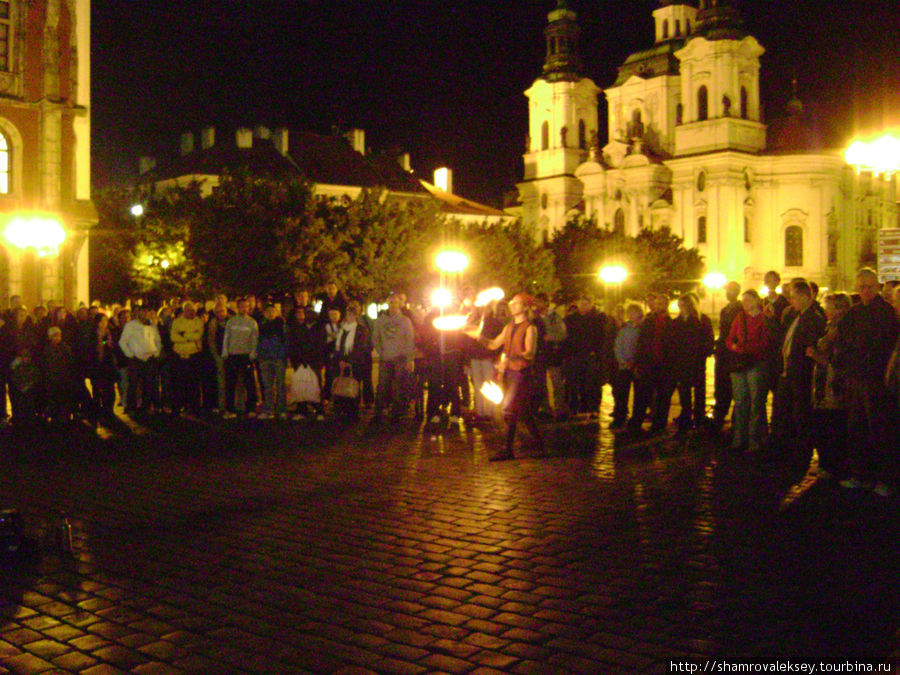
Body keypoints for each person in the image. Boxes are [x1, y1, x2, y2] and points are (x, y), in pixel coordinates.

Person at [833, 269, 900, 496]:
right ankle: (860, 475)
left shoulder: (886, 312)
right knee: (856, 429)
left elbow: (884, 345)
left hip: (875, 381)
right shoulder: (854, 312)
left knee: (879, 431)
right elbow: (842, 340)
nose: (865, 291)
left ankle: (883, 479)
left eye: (869, 287)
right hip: (855, 378)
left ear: (878, 286)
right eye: (861, 287)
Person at [478, 293, 542, 461]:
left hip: (521, 373)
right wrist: (479, 337)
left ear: (525, 307)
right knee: (523, 410)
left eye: (517, 303)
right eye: (512, 302)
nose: (512, 305)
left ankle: (507, 449)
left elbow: (530, 353)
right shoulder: (508, 327)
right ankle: (538, 441)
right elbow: (493, 344)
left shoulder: (530, 328)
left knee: (508, 408)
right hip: (509, 372)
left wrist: (509, 358)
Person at [769, 280, 825, 460]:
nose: (791, 301)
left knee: (801, 414)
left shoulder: (813, 318)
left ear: (805, 296)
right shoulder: (795, 316)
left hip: (800, 374)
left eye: (794, 297)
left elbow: (809, 346)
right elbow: (784, 340)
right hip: (787, 372)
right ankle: (782, 447)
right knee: (782, 411)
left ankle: (801, 452)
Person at [805, 293, 851, 480]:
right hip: (824, 385)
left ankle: (832, 467)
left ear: (838, 309)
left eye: (828, 307)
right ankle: (827, 464)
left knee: (831, 427)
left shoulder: (842, 330)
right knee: (824, 425)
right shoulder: (831, 326)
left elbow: (836, 360)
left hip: (833, 387)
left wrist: (814, 354)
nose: (824, 310)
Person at [725, 290, 771, 455]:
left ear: (757, 300)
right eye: (743, 301)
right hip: (740, 364)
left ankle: (755, 441)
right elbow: (730, 338)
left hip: (756, 363)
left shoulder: (764, 318)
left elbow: (765, 342)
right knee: (740, 401)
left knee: (756, 402)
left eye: (748, 300)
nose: (745, 304)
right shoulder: (740, 317)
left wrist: (747, 349)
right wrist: (735, 347)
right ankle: (739, 440)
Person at [629, 293, 674, 434]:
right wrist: (638, 363)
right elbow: (641, 343)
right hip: (648, 363)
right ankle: (637, 420)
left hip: (663, 364)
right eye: (657, 303)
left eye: (662, 303)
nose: (658, 306)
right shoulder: (648, 321)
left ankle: (659, 423)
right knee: (642, 394)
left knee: (662, 396)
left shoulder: (671, 322)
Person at [670, 293, 714, 434]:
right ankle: (686, 415)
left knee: (699, 390)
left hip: (696, 361)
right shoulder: (677, 322)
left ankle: (699, 417)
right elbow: (673, 342)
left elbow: (708, 340)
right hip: (681, 362)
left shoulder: (702, 320)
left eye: (684, 305)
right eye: (680, 305)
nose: (682, 308)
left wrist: (703, 354)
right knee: (684, 391)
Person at [372, 293, 415, 424]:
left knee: (399, 386)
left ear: (399, 305)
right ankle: (379, 411)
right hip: (385, 358)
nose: (393, 306)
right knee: (382, 386)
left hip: (400, 358)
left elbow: (409, 340)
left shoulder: (405, 321)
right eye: (391, 303)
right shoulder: (380, 321)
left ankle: (398, 412)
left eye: (395, 303)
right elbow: (376, 338)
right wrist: (381, 351)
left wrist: (409, 358)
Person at [119, 305, 163, 413]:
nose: (145, 314)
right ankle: (131, 407)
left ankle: (145, 406)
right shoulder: (131, 326)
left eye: (147, 312)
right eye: (142, 312)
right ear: (138, 313)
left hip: (149, 359)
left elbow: (157, 340)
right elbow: (123, 342)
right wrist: (130, 354)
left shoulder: (152, 325)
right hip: (136, 359)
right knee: (133, 384)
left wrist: (156, 353)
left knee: (148, 384)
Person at [532, 293, 568, 421]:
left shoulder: (554, 317)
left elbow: (563, 334)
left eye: (539, 302)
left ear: (545, 303)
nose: (536, 305)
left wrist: (550, 337)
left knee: (556, 382)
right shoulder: (534, 317)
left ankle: (560, 408)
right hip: (539, 354)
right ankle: (545, 408)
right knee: (541, 383)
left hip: (552, 353)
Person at [711, 281, 742, 432]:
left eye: (729, 290)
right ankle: (719, 414)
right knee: (721, 385)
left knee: (734, 386)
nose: (727, 293)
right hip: (723, 353)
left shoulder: (741, 309)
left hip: (734, 353)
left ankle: (737, 420)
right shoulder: (725, 310)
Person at [331, 304, 371, 420]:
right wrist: (339, 360)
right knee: (341, 385)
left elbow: (360, 347)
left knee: (352, 386)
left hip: (355, 363)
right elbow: (338, 347)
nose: (348, 316)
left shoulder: (361, 329)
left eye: (350, 314)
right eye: (347, 314)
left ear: (355, 316)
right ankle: (341, 410)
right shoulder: (343, 328)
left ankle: (353, 412)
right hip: (341, 362)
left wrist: (349, 361)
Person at [222, 298, 259, 418]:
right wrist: (225, 351)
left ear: (249, 308)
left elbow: (254, 339)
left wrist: (253, 353)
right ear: (237, 308)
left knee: (249, 383)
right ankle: (230, 408)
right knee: (230, 383)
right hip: (232, 355)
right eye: (241, 306)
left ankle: (251, 408)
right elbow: (226, 337)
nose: (244, 308)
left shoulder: (252, 322)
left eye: (246, 306)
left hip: (246, 355)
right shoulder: (231, 322)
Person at [611, 303, 644, 429]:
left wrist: (635, 362)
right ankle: (620, 417)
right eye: (629, 313)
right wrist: (622, 361)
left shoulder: (643, 329)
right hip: (624, 366)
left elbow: (642, 348)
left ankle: (636, 419)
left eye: (633, 312)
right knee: (621, 393)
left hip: (637, 367)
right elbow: (617, 346)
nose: (630, 315)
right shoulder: (624, 329)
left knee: (639, 394)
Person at [170, 301, 205, 415]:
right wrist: (189, 338)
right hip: (179, 357)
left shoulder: (199, 322)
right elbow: (173, 337)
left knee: (194, 383)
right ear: (184, 311)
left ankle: (194, 407)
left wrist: (183, 334)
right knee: (178, 383)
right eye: (189, 310)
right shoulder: (177, 322)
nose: (192, 312)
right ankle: (178, 407)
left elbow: (198, 335)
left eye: (193, 310)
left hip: (193, 356)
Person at [257, 304, 287, 419]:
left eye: (272, 311)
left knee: (280, 386)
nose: (270, 313)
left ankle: (281, 409)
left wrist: (283, 355)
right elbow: (258, 341)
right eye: (268, 311)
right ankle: (268, 409)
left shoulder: (281, 325)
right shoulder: (261, 325)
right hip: (265, 358)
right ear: (264, 313)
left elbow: (286, 341)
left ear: (276, 312)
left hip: (278, 358)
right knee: (267, 386)